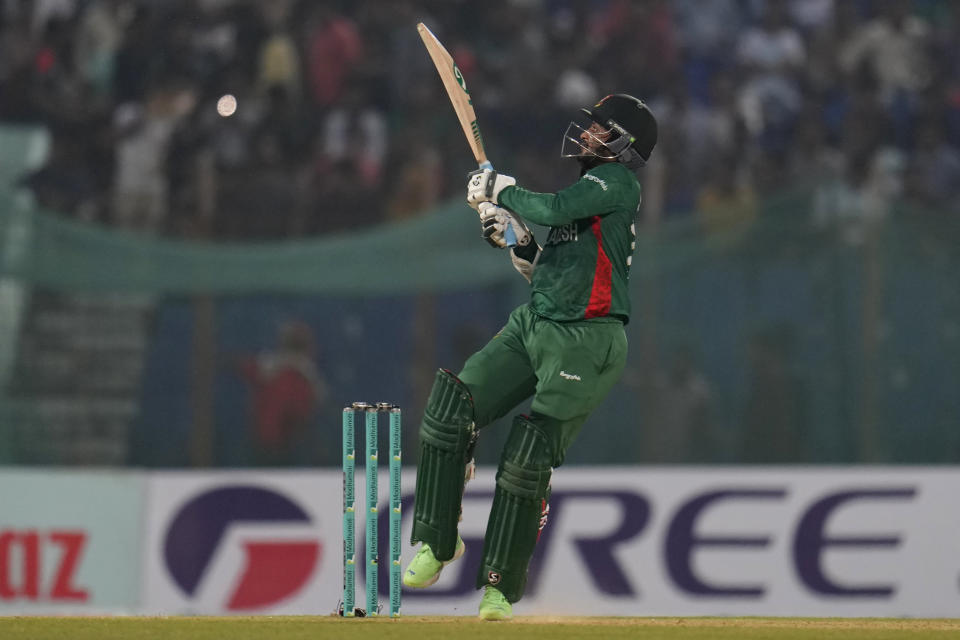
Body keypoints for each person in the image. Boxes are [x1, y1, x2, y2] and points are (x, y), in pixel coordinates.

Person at [402, 94, 657, 620]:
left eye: (599, 129)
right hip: (535, 324)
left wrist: (504, 190)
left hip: (589, 340)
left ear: (623, 146)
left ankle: (499, 587)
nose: (586, 134)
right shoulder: (589, 195)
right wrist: (521, 246)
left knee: (526, 457)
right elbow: (556, 267)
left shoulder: (619, 184)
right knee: (452, 408)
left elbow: (554, 210)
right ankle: (437, 542)